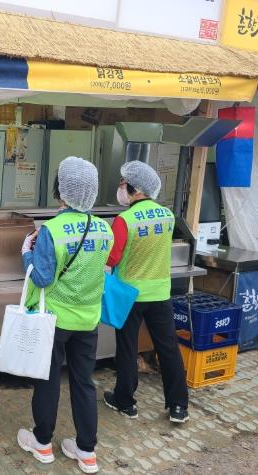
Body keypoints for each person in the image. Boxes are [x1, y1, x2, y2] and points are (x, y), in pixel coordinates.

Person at [17, 157, 113, 474]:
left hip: (54, 321)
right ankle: (86, 451)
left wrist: (27, 253)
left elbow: (42, 278)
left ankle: (42, 442)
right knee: (84, 383)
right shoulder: (105, 229)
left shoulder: (52, 230)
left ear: (61, 190)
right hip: (88, 320)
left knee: (48, 380)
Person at [103, 160, 189, 424]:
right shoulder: (167, 215)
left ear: (137, 189)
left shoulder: (124, 220)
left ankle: (125, 402)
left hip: (130, 295)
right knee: (168, 348)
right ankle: (178, 406)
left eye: (123, 182)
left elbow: (112, 258)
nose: (121, 186)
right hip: (160, 293)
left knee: (128, 349)